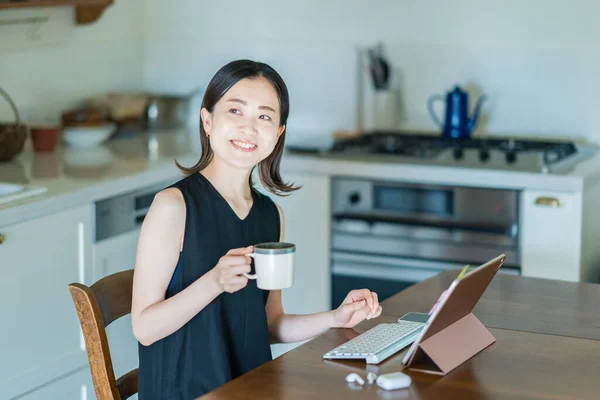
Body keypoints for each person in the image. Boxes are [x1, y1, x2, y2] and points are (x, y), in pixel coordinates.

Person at [131, 59, 383, 399]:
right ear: (207, 121)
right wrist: (213, 282)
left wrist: (335, 317)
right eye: (235, 111)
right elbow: (144, 329)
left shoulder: (271, 215)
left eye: (264, 116)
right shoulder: (173, 207)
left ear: (278, 133)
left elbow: (269, 324)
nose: (249, 128)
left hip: (251, 389)